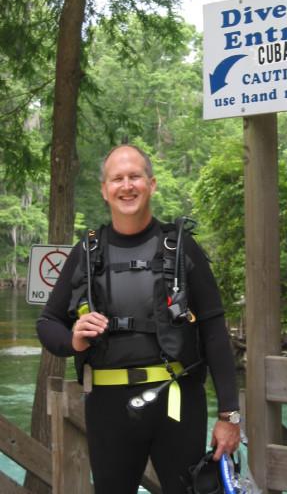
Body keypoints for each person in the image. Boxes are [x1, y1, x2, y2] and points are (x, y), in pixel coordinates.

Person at [37, 144, 241, 494]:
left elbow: (214, 333)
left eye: (135, 177)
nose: (127, 186)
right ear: (104, 189)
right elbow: (47, 323)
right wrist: (72, 339)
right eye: (117, 178)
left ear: (152, 184)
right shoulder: (86, 252)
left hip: (177, 402)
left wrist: (229, 416)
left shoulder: (182, 249)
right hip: (107, 407)